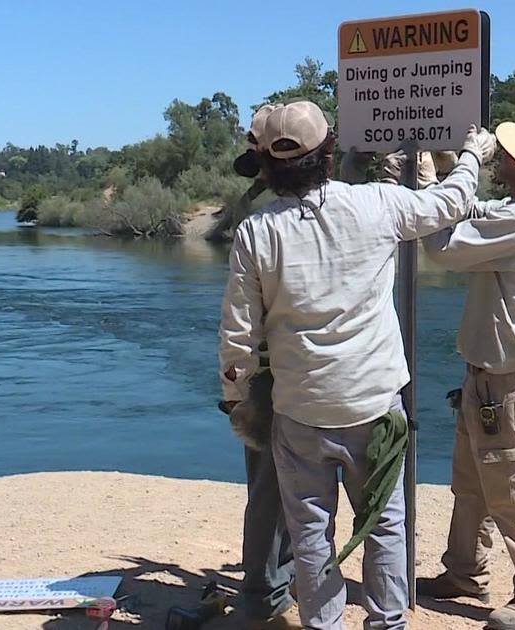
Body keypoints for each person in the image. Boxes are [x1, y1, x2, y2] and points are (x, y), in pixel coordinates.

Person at [219, 100, 496, 630]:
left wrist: (236, 399)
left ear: (268, 166)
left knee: (309, 531)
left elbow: (238, 332)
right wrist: (471, 155)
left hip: (299, 409)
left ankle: (324, 625)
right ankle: (387, 622)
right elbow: (451, 202)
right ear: (327, 153)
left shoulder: (256, 232)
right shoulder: (378, 205)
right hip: (374, 403)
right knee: (386, 524)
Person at [416, 120, 515, 630]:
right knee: (472, 486)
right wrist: (451, 173)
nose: (502, 157)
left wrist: (429, 185)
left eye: (508, 154)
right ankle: (464, 571)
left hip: (505, 383)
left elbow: (440, 246)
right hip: (491, 379)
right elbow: (475, 210)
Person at [217, 103, 298, 630]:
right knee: (274, 488)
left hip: (269, 373)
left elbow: (238, 323)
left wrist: (233, 385)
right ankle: (266, 590)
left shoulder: (261, 228)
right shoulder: (276, 226)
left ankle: (270, 585)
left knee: (271, 488)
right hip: (283, 374)